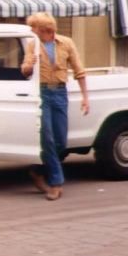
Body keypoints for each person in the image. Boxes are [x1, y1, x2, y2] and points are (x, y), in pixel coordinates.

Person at [21, 12, 89, 200]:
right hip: (42, 93)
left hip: (59, 92)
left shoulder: (66, 43)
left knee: (60, 139)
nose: (32, 31)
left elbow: (79, 70)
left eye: (34, 28)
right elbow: (25, 69)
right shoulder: (32, 45)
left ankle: (37, 169)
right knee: (48, 138)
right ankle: (56, 183)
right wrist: (29, 66)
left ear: (43, 29)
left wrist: (85, 97)